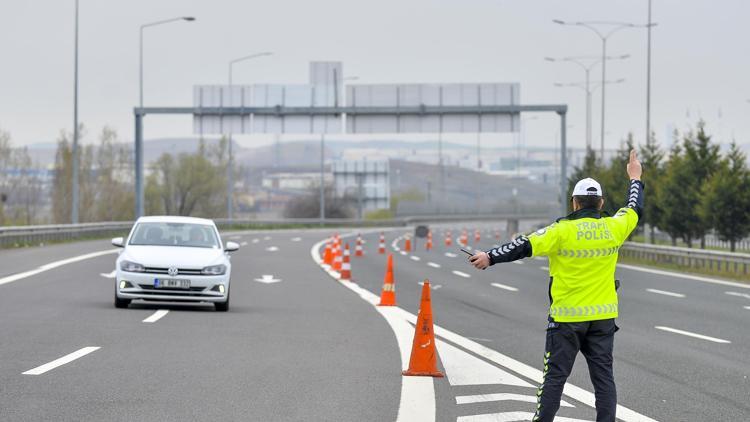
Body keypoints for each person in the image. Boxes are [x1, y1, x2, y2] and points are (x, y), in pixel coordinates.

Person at [468, 150, 644, 422]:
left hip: (566, 320)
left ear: (574, 203)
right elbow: (634, 207)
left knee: (554, 380)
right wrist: (635, 177)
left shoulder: (560, 231)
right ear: (601, 203)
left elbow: (523, 245)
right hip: (603, 319)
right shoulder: (614, 227)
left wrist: (489, 257)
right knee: (604, 382)